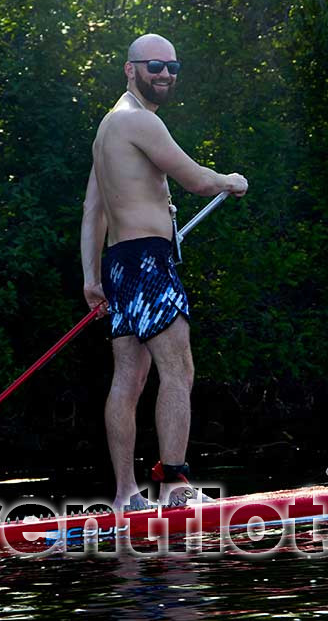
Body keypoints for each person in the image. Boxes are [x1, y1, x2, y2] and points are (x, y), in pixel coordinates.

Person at [80, 34, 249, 510]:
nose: (165, 75)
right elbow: (195, 180)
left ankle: (124, 495)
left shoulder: (106, 129)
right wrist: (230, 181)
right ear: (130, 70)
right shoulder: (139, 121)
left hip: (119, 263)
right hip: (150, 261)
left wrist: (92, 279)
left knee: (128, 379)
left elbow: (93, 212)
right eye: (155, 65)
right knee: (179, 370)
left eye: (173, 67)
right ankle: (175, 487)